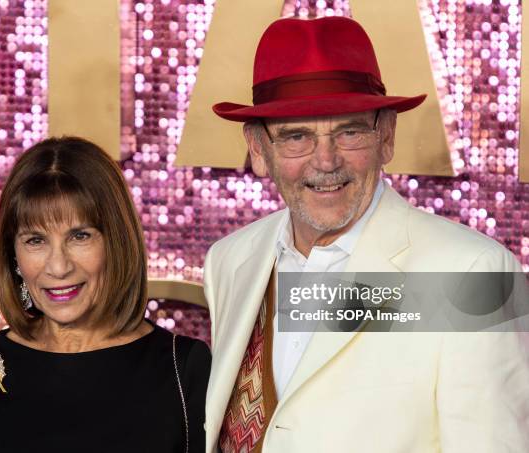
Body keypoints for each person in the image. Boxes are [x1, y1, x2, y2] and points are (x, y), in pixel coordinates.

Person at [203, 16, 529, 453]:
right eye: (296, 136)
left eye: (349, 131)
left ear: (387, 137)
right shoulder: (229, 259)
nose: (326, 161)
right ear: (259, 150)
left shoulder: (471, 273)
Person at [0, 137, 210, 453]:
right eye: (35, 240)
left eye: (79, 236)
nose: (58, 267)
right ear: (13, 255)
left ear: (116, 242)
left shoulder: (183, 367)